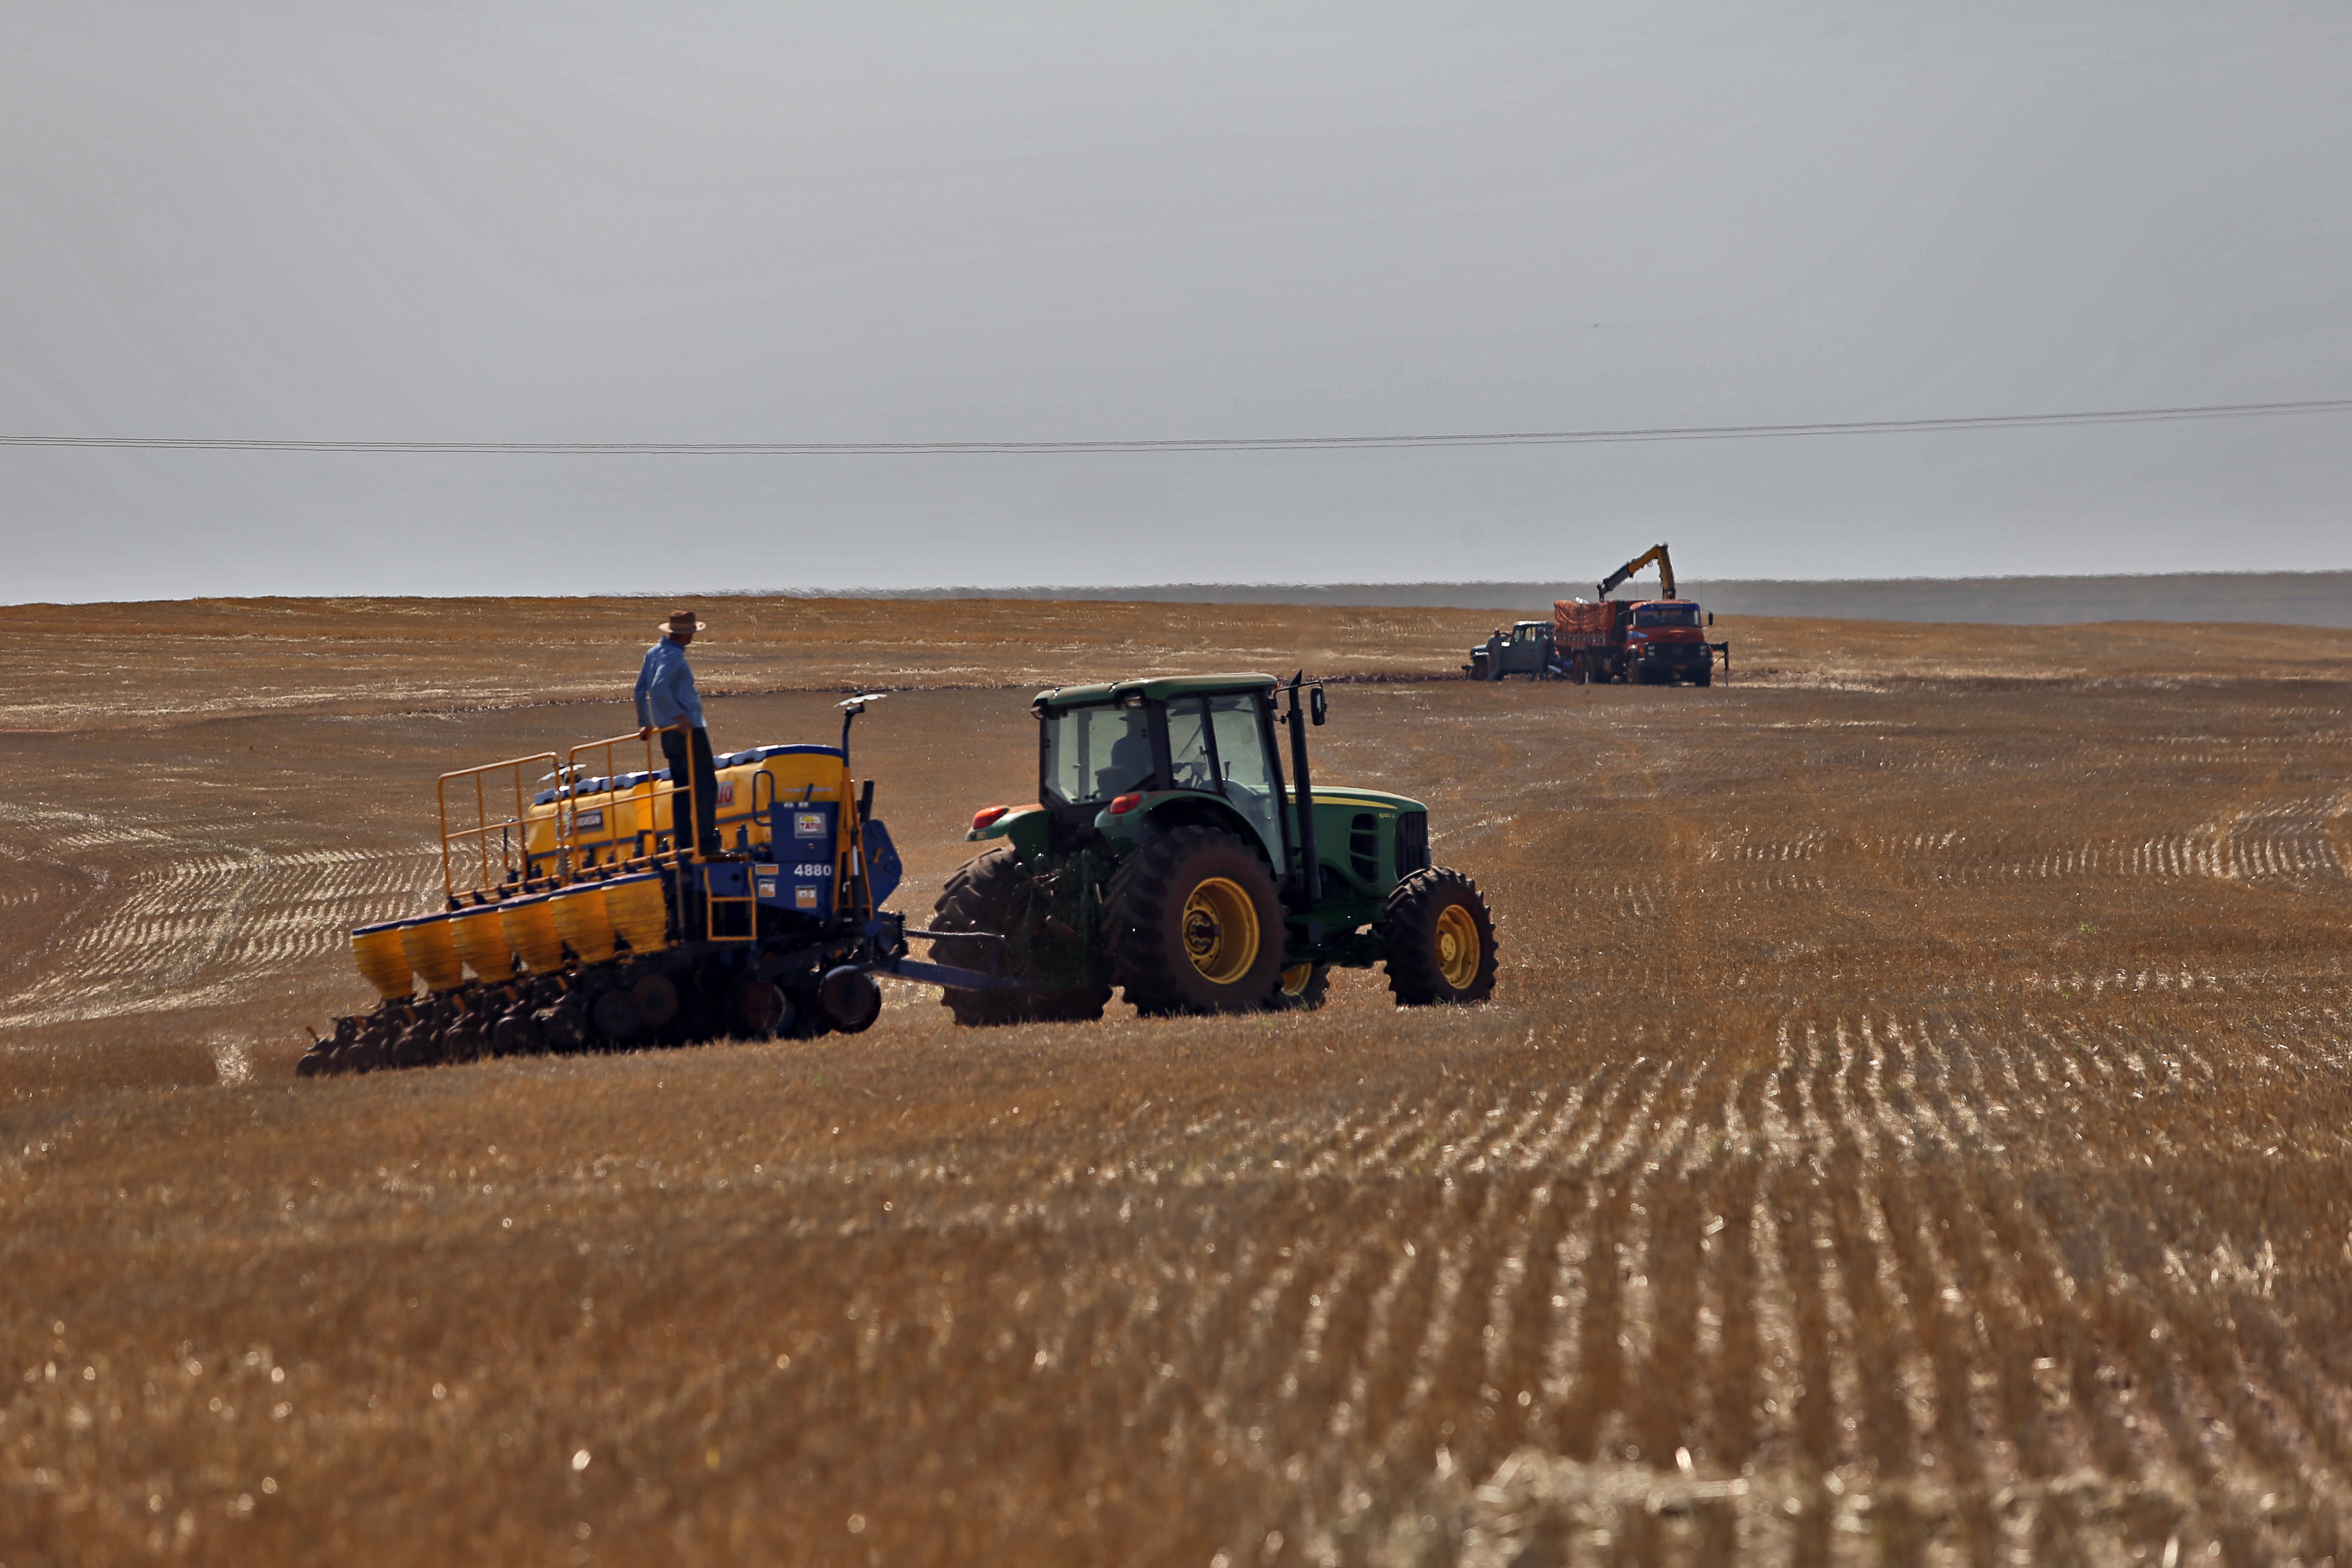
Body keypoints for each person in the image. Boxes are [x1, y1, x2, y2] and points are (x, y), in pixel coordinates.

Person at [635, 609, 720, 856]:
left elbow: (639, 690)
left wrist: (646, 722)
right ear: (688, 634)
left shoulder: (653, 653)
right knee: (705, 785)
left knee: (682, 787)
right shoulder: (674, 657)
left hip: (667, 732)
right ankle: (705, 841)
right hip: (688, 729)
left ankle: (684, 842)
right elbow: (658, 686)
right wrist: (680, 717)